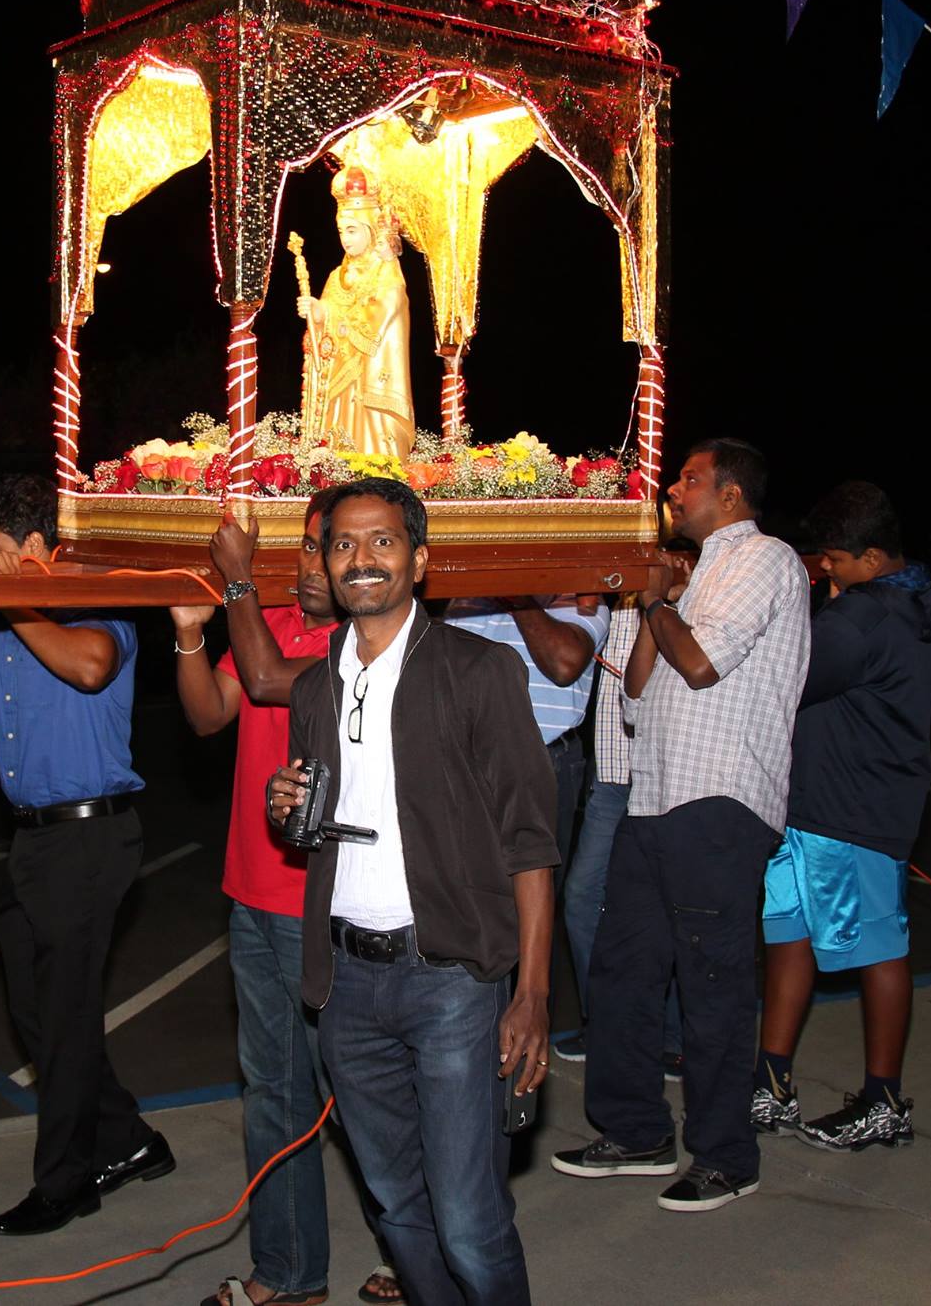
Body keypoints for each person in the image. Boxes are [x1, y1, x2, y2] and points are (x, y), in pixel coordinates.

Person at [268, 477, 556, 1306]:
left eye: (383, 541)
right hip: (346, 985)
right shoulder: (316, 685)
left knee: (467, 1217)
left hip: (452, 981)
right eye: (343, 544)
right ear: (323, 562)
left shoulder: (479, 669)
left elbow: (531, 840)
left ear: (420, 560)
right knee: (396, 1207)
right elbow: (311, 823)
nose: (361, 559)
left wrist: (531, 991)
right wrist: (284, 807)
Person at [554, 437, 810, 1213]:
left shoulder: (762, 559)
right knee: (624, 971)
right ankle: (634, 1128)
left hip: (720, 801)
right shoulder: (694, 578)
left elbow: (700, 665)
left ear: (731, 496)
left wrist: (661, 602)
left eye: (690, 478)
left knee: (712, 986)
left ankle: (728, 1153)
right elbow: (638, 692)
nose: (673, 487)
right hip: (655, 797)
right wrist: (652, 601)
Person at [171, 499, 402, 1306]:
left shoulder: (367, 644)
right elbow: (210, 714)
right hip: (254, 895)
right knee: (273, 1091)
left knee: (368, 1095)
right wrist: (191, 632)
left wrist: (236, 584)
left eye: (323, 549)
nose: (308, 566)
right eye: (301, 549)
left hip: (337, 908)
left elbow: (269, 682)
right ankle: (291, 1272)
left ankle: (416, 1256)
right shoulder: (259, 621)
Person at [0, 473, 174, 1238]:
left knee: (66, 1011)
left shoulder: (98, 602)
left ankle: (66, 1180)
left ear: (38, 549)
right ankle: (128, 1140)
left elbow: (88, 667)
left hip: (91, 833)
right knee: (36, 1008)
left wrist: (12, 600)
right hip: (30, 837)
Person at [750, 481, 931, 1153]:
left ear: (874, 555)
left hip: (852, 809)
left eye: (834, 558)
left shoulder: (866, 618)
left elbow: (788, 671)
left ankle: (884, 1099)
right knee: (788, 936)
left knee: (878, 947)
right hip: (811, 803)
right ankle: (772, 1081)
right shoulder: (895, 597)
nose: (824, 566)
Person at [444, 595, 606, 1058]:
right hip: (465, 764)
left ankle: (517, 1039)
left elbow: (563, 662)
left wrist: (516, 595)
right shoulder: (466, 594)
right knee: (465, 908)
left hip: (542, 762)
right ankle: (468, 1040)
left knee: (526, 912)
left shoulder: (581, 591)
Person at [549, 601, 683, 1072]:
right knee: (584, 897)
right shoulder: (606, 591)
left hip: (671, 766)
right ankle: (609, 1023)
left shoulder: (677, 583)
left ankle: (670, 1037)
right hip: (613, 769)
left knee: (666, 904)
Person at [297, 165, 416, 460]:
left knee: (373, 446)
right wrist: (318, 311)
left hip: (370, 379)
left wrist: (335, 322)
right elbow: (330, 313)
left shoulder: (386, 273)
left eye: (352, 230)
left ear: (370, 229)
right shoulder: (337, 275)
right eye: (341, 231)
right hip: (339, 382)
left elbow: (385, 312)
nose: (345, 238)